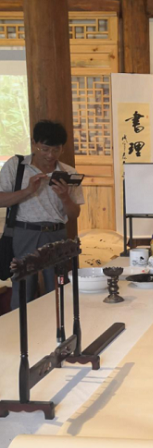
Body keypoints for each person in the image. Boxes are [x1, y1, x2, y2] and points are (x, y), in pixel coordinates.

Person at [0, 120, 84, 310]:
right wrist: (28, 191)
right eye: (45, 149)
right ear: (34, 143)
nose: (50, 155)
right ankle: (20, 327)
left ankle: (57, 326)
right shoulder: (17, 166)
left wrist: (65, 197)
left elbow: (74, 214)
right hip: (24, 232)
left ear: (62, 148)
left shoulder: (68, 172)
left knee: (58, 289)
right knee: (23, 288)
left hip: (56, 233)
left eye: (56, 150)